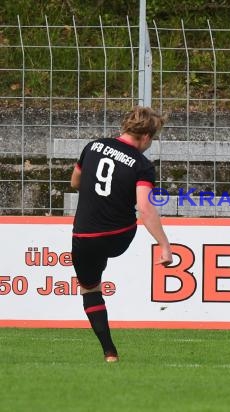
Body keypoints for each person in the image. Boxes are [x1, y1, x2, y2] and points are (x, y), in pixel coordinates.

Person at [70, 106, 173, 362]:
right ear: (147, 137)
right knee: (128, 217)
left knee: (89, 289)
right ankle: (110, 354)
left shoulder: (92, 146)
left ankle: (109, 352)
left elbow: (75, 182)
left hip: (84, 236)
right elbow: (146, 209)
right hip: (119, 236)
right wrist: (164, 245)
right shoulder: (142, 165)